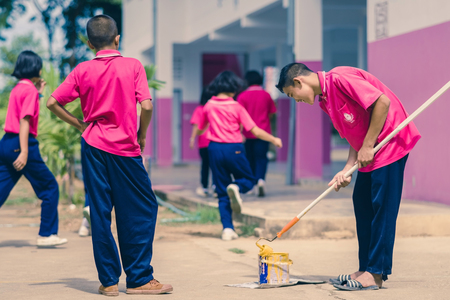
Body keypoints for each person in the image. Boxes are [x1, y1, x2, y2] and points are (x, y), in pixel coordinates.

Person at [47, 15, 172, 296]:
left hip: (93, 146)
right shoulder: (132, 65)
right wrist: (141, 135)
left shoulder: (82, 70)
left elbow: (52, 102)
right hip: (125, 149)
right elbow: (148, 106)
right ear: (118, 39)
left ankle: (109, 282)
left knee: (100, 212)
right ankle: (139, 279)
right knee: (141, 209)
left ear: (90, 44)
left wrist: (80, 124)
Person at [276, 63, 421, 291]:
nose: (297, 100)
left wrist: (369, 145)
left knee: (382, 209)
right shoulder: (325, 100)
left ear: (298, 81)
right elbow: (355, 132)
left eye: (292, 95)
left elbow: (382, 103)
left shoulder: (340, 78)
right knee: (362, 203)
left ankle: (375, 274)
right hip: (369, 150)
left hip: (389, 144)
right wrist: (347, 168)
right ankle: (365, 268)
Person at [196, 71, 282, 241]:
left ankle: (227, 229)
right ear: (233, 88)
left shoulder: (209, 105)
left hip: (214, 149)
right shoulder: (236, 107)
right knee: (249, 180)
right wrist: (273, 139)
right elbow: (254, 130)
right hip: (234, 148)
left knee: (221, 192)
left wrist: (194, 136)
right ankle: (237, 187)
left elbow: (201, 127)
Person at [0, 51, 67, 248]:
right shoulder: (29, 91)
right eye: (39, 66)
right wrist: (25, 151)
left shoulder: (18, 89)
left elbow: (22, 111)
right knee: (49, 187)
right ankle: (46, 235)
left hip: (6, 142)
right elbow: (24, 120)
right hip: (22, 143)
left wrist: (38, 92)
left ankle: (47, 233)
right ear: (34, 68)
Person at [237, 70, 277, 197]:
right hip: (263, 132)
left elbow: (239, 117)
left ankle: (251, 184)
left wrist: (240, 132)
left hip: (248, 134)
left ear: (247, 81)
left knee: (249, 159)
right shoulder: (266, 95)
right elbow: (271, 113)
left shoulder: (242, 96)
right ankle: (261, 180)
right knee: (261, 158)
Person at [189, 88, 214, 197]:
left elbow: (196, 125)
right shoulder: (214, 108)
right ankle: (215, 186)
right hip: (215, 141)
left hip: (203, 142)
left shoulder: (199, 109)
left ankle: (204, 187)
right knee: (216, 165)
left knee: (205, 165)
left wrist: (192, 138)